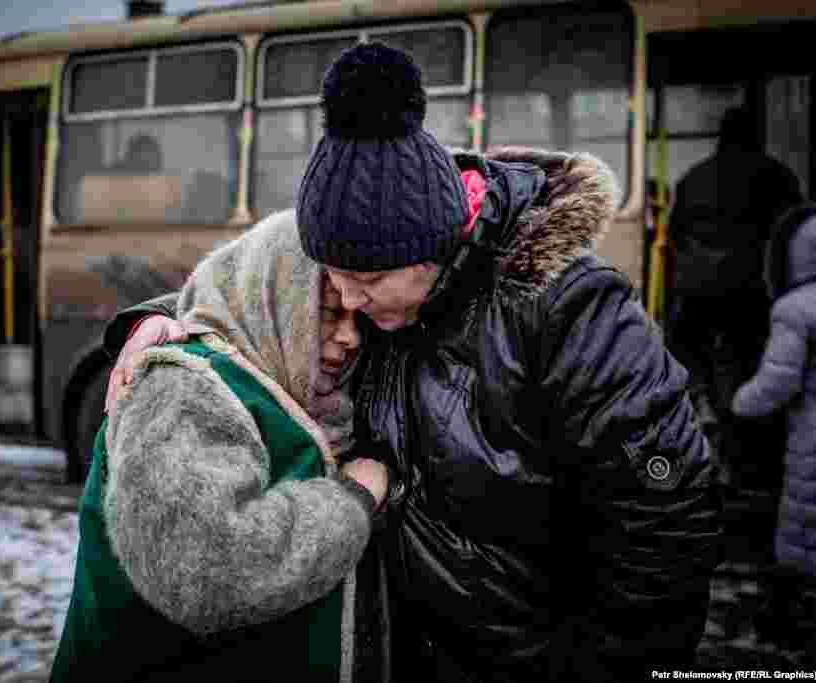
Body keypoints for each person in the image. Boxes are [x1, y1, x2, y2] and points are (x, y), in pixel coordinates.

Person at [104, 42, 724, 682]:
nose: (345, 299)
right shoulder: (375, 305)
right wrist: (158, 321)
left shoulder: (567, 308)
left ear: (434, 248)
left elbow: (665, 524)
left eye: (365, 277)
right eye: (334, 278)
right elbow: (260, 286)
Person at [51, 211, 392, 682]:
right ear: (274, 299)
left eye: (362, 320)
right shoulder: (182, 389)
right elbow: (207, 571)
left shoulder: (299, 389)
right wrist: (351, 499)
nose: (351, 338)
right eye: (331, 313)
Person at [668, 106, 803, 488]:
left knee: (689, 354)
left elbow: (676, 234)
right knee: (751, 364)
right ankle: (748, 451)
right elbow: (791, 234)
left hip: (696, 294)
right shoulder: (776, 176)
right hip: (749, 292)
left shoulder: (694, 178)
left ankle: (706, 410)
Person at [730, 204, 816, 667]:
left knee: (802, 528)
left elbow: (776, 384)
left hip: (812, 438)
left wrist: (739, 403)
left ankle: (784, 625)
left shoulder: (795, 309)